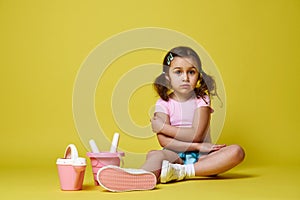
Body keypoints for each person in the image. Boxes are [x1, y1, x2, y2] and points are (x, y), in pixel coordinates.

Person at [96, 46, 245, 192]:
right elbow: (164, 142)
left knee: (236, 151)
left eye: (191, 72)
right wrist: (196, 146)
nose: (185, 78)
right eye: (178, 72)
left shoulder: (202, 99)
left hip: (202, 158)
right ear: (167, 76)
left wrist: (163, 127)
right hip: (174, 155)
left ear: (198, 75)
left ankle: (183, 172)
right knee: (156, 155)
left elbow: (196, 134)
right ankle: (138, 177)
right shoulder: (163, 103)